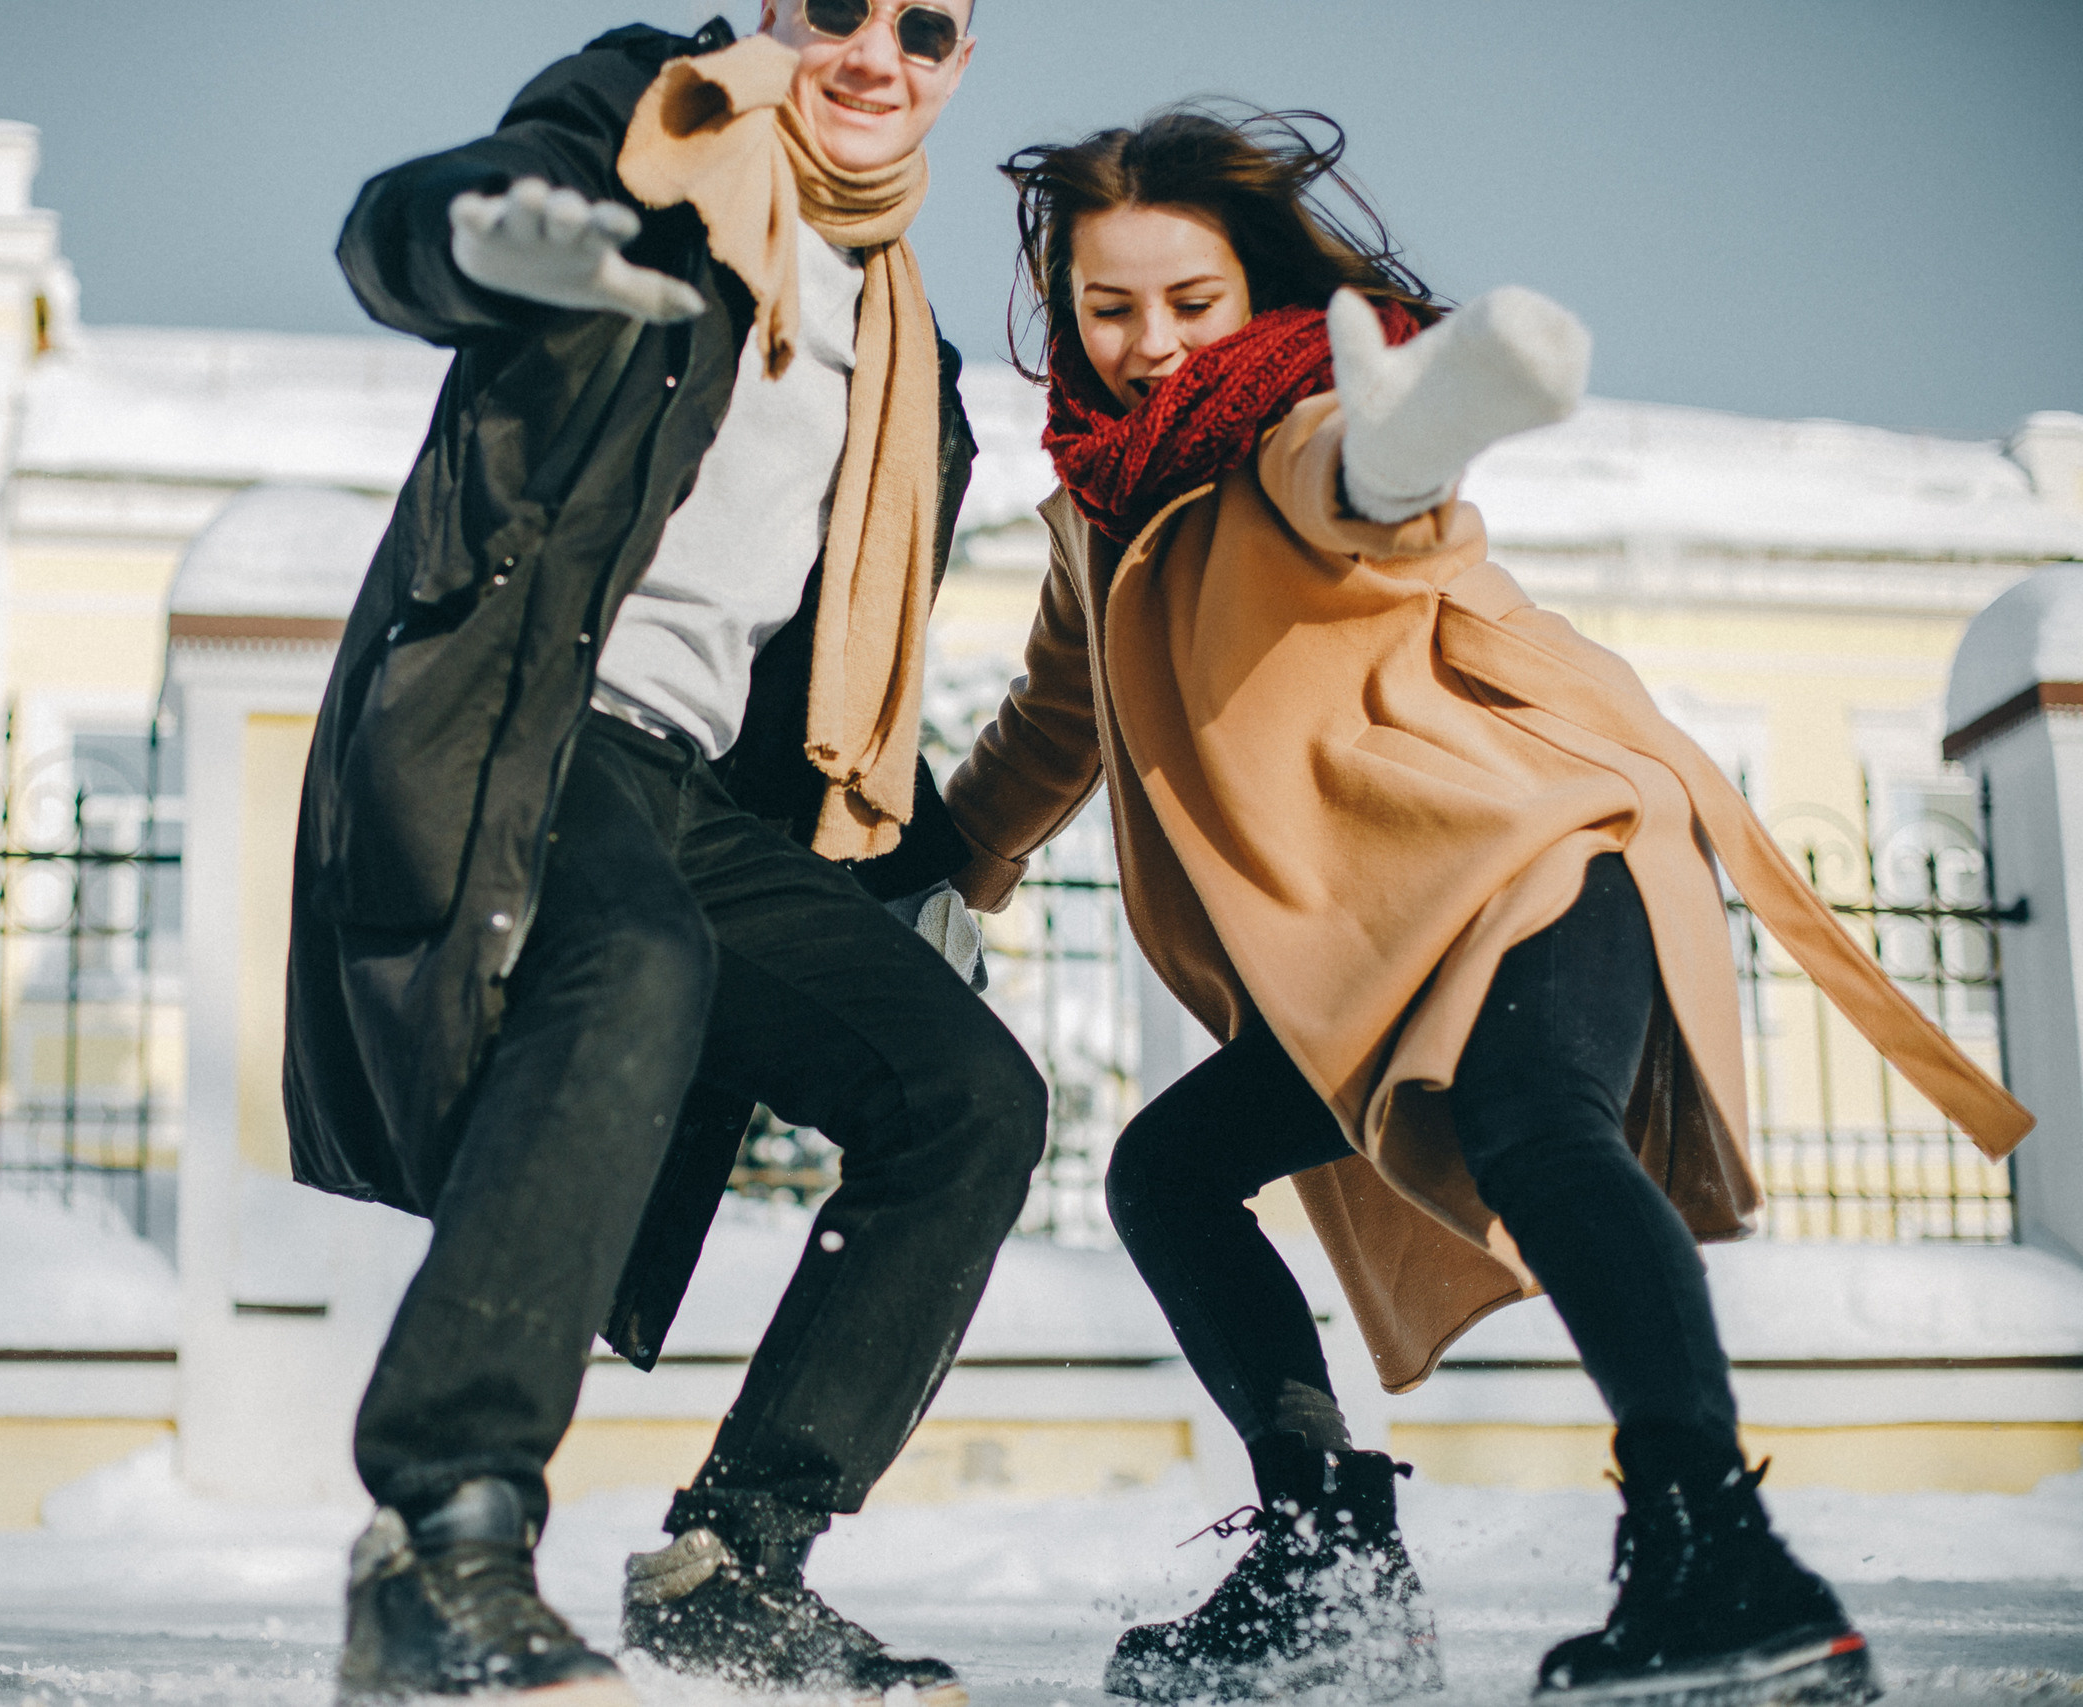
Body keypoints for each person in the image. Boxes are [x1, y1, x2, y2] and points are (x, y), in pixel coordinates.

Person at [944, 108, 2033, 1706]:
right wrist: (919, 885)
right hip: (1374, 949)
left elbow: (1368, 484)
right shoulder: (1099, 510)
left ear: (1256, 293)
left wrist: (1428, 417)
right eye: (1110, 310)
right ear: (1065, 315)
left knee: (1538, 1126)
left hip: (1530, 855)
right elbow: (1053, 725)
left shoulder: (1301, 422)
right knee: (1169, 1175)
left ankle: (1718, 1558)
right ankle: (1328, 1558)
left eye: (1191, 301)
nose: (1152, 344)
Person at [286, 4, 1045, 1704]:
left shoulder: (912, 353)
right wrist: (496, 237)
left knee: (970, 1098)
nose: (874, 53)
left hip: (690, 791)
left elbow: (830, 669)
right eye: (833, 11)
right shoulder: (656, 118)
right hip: (514, 716)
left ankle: (737, 1560)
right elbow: (415, 226)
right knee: (636, 961)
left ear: (961, 63)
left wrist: (911, 867)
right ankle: (439, 1536)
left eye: (923, 27)